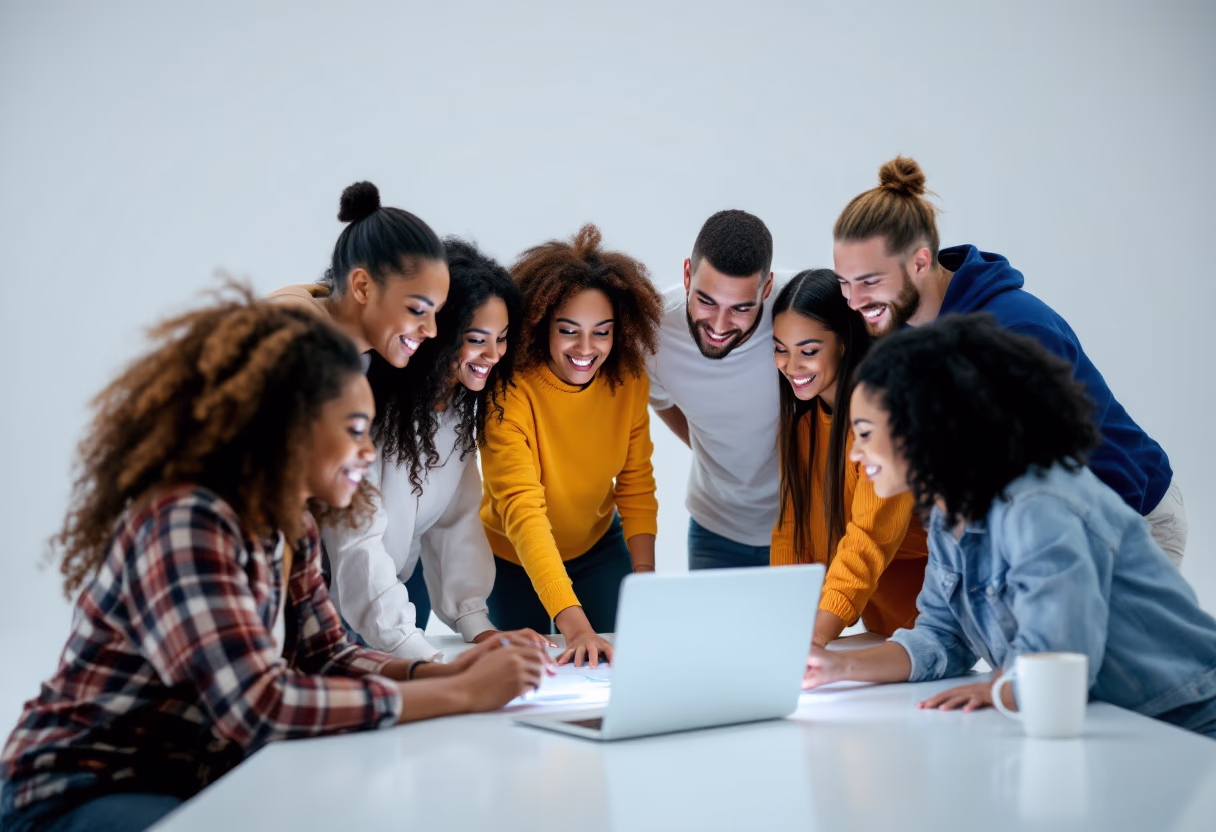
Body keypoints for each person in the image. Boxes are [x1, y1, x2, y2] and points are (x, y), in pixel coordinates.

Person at [0, 292, 547, 832]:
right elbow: (260, 706)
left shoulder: (292, 522)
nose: (366, 451)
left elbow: (326, 654)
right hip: (81, 789)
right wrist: (459, 694)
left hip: (191, 779)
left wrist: (438, 670)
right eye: (355, 430)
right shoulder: (186, 520)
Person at [803, 315, 1216, 740]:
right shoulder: (949, 513)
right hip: (1116, 727)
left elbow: (1056, 657)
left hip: (1187, 721)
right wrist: (836, 667)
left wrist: (999, 686)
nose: (854, 452)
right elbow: (941, 636)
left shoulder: (1038, 506)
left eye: (865, 433)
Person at [832, 156, 1186, 565]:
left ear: (920, 262)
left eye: (870, 282)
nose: (855, 302)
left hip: (1130, 514)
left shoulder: (1018, 329)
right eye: (845, 283)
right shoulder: (906, 331)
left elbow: (1092, 465)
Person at [324, 238, 551, 659]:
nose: (493, 354)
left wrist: (478, 626)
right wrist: (418, 653)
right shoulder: (368, 402)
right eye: (477, 339)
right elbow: (356, 542)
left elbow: (456, 520)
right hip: (337, 596)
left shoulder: (459, 404)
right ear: (439, 333)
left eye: (502, 339)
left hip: (400, 592)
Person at [480, 224, 664, 667]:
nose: (587, 348)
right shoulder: (509, 392)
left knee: (624, 659)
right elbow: (523, 510)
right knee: (525, 676)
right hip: (511, 559)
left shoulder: (629, 379)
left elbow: (636, 483)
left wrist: (644, 583)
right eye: (569, 330)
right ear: (542, 325)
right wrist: (575, 625)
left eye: (602, 331)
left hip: (598, 550)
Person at [769, 270, 928, 646]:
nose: (792, 366)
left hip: (933, 628)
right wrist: (779, 624)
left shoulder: (885, 423)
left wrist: (812, 642)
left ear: (844, 343)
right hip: (880, 631)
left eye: (808, 351)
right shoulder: (801, 427)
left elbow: (868, 540)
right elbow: (791, 536)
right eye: (780, 349)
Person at [647, 210, 782, 570]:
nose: (719, 326)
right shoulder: (653, 332)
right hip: (714, 527)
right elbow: (658, 399)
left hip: (803, 527)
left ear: (766, 290)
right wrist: (711, 448)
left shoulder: (801, 305)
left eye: (741, 308)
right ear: (687, 273)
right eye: (706, 301)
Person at [267, 180, 450, 370]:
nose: (431, 331)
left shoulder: (343, 351)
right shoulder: (296, 346)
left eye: (435, 312)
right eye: (417, 309)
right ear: (362, 287)